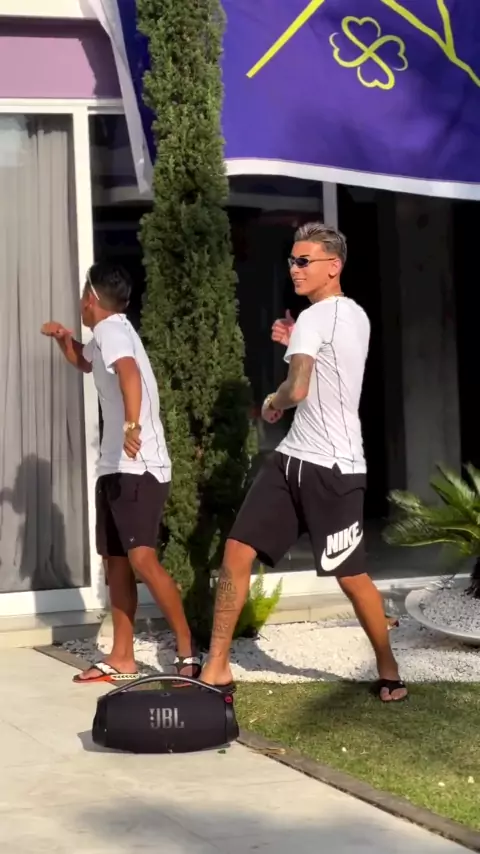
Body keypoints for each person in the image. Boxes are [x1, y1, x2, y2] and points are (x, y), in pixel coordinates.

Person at [200, 222, 407, 703]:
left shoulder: (316, 319)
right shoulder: (354, 315)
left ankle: (389, 667)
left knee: (350, 575)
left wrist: (272, 400)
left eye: (303, 261)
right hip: (291, 458)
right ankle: (216, 665)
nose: (294, 269)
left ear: (333, 266)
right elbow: (332, 364)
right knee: (238, 550)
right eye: (291, 260)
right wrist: (296, 341)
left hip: (332, 468)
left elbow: (297, 389)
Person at [41, 263, 200, 684]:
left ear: (91, 298)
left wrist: (132, 425)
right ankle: (123, 657)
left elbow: (128, 372)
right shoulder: (106, 334)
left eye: (82, 295)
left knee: (141, 559)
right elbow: (85, 362)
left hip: (138, 466)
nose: (79, 303)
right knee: (116, 563)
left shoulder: (113, 331)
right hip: (114, 466)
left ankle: (187, 648)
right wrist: (64, 340)